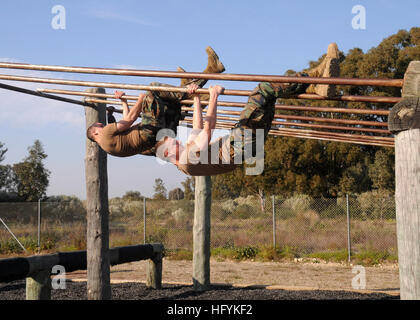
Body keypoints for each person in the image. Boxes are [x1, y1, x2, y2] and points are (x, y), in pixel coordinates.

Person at [156, 43, 340, 176]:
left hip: (248, 146)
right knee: (262, 90)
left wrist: (196, 97)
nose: (174, 140)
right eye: (170, 142)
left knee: (269, 98)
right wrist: (213, 96)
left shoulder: (184, 162)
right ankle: (315, 75)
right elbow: (207, 130)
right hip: (239, 142)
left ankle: (316, 87)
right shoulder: (187, 159)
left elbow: (196, 128)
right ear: (167, 153)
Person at [86, 46, 226, 157]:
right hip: (149, 131)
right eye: (100, 125)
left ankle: (206, 76)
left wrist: (124, 101)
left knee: (173, 102)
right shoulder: (104, 134)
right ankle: (189, 86)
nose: (103, 126)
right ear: (95, 133)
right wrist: (141, 100)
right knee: (153, 89)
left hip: (160, 134)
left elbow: (126, 123)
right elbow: (130, 119)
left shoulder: (108, 146)